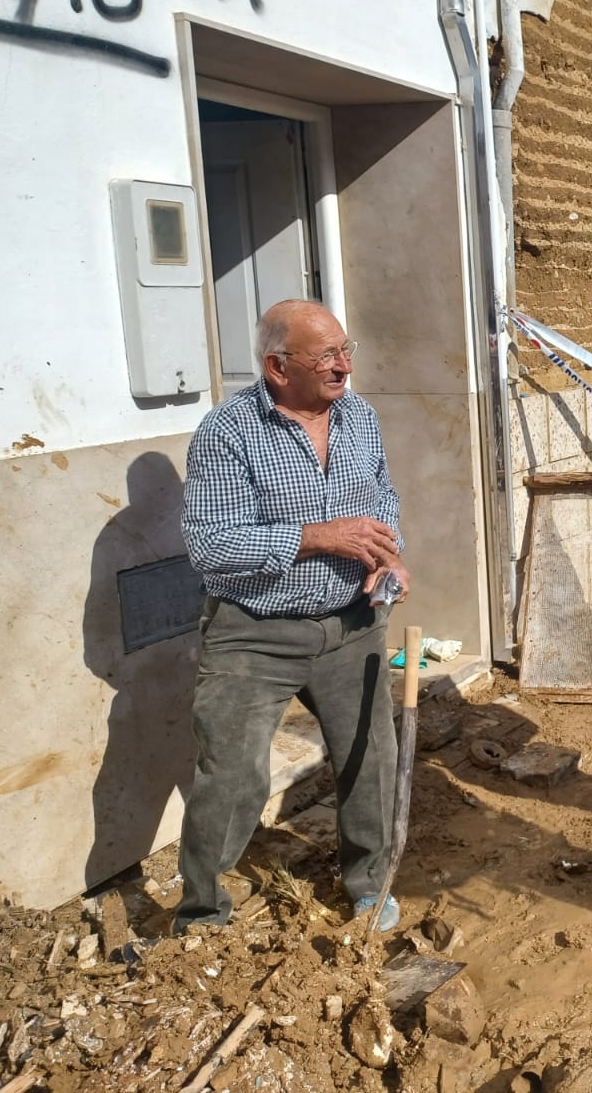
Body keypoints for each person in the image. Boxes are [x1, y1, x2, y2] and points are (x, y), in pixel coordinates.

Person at [176, 301, 410, 934]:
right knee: (231, 776)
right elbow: (210, 545)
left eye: (346, 350)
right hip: (254, 632)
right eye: (326, 356)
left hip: (354, 623)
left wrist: (390, 558)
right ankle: (201, 914)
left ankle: (368, 884)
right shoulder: (228, 432)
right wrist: (315, 538)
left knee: (370, 758)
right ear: (277, 367)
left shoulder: (359, 417)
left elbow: (382, 497)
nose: (344, 366)